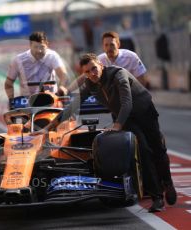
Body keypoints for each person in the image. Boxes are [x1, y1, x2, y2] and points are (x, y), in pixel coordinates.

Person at [66, 53, 176, 212]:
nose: (92, 74)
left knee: (158, 149)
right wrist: (50, 124)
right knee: (143, 151)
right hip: (127, 119)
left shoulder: (118, 74)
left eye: (94, 69)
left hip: (144, 111)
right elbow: (72, 106)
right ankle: (157, 197)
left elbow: (126, 103)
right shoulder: (90, 84)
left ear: (101, 65)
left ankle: (167, 181)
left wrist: (117, 124)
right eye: (88, 72)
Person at [4, 31, 68, 107]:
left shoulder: (52, 56)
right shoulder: (18, 60)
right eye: (36, 47)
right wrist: (11, 100)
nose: (39, 51)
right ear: (30, 45)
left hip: (51, 99)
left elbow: (63, 74)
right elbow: (8, 83)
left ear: (47, 45)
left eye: (42, 47)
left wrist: (62, 86)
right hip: (28, 102)